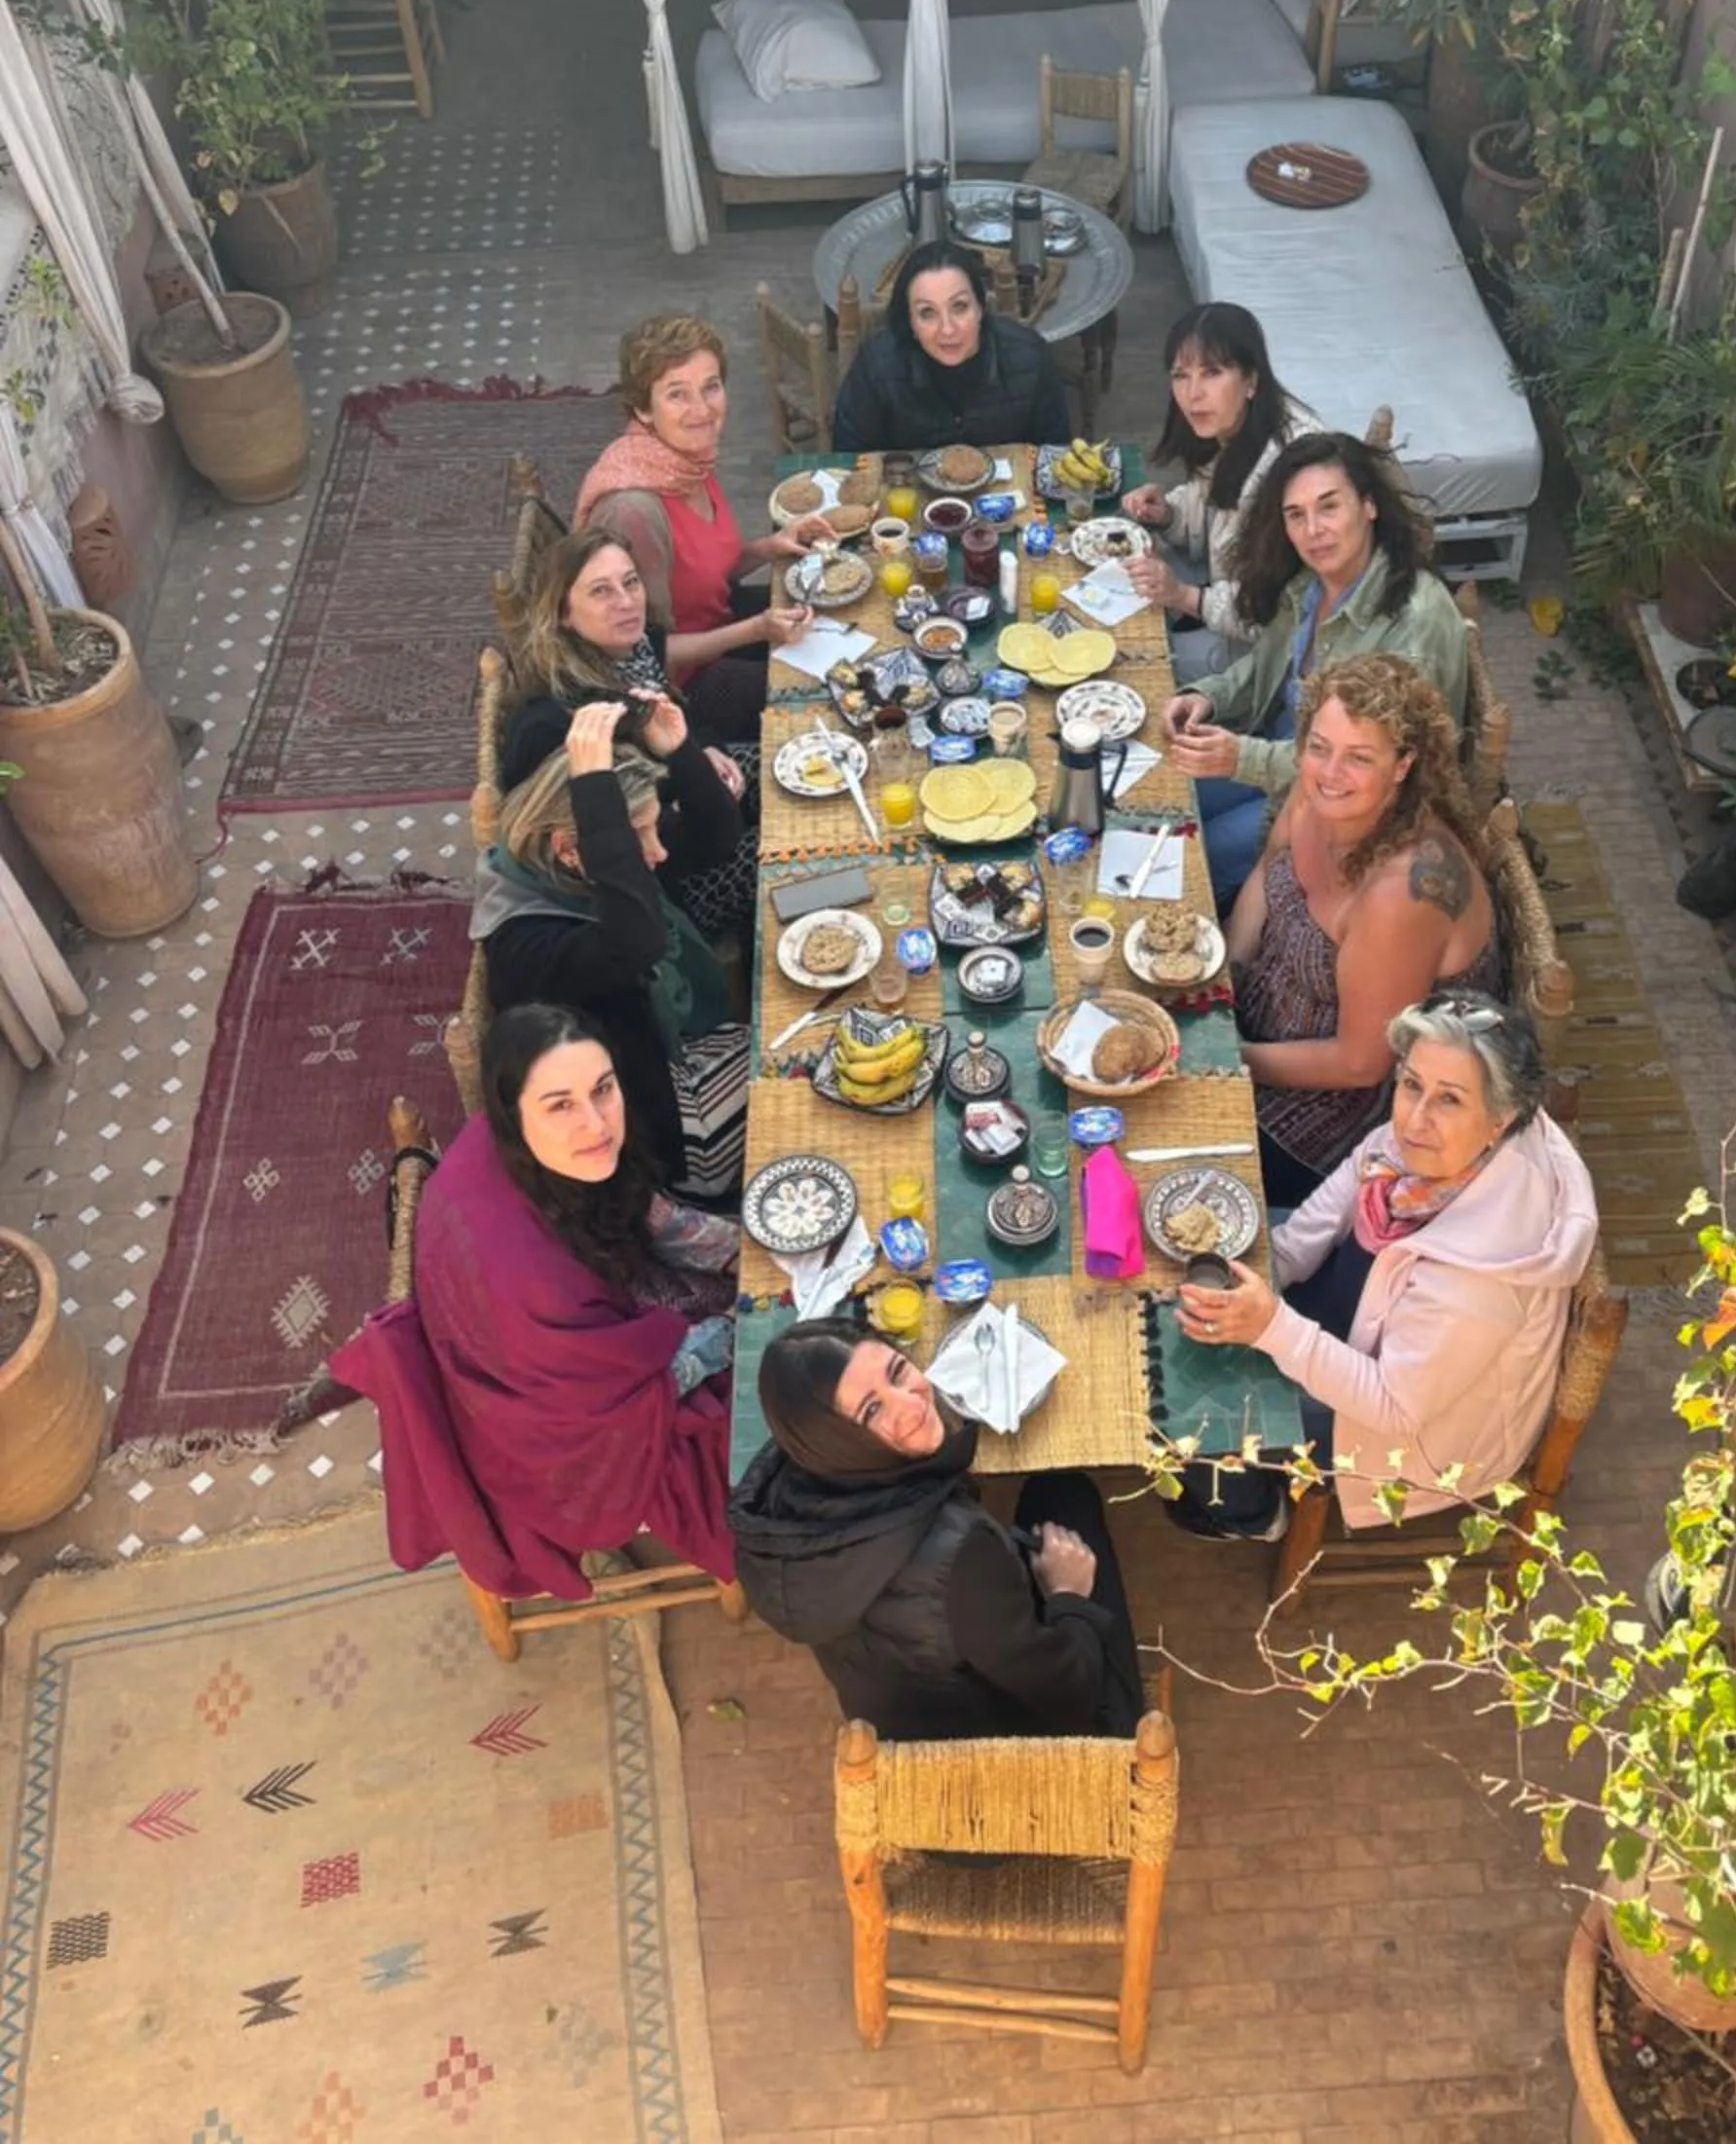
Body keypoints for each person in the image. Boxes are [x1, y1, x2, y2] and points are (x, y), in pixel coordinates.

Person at [329, 1005, 740, 1601]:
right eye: (560, 1105)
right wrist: (736, 1330)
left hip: (571, 1335)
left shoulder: (507, 1143)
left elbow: (639, 1209)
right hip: (557, 1433)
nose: (596, 1125)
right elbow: (619, 1405)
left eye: (603, 1089)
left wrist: (740, 1249)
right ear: (515, 1111)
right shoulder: (532, 1283)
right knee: (762, 1414)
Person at [1173, 994, 1598, 1538]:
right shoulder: (1444, 1149)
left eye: (1449, 1100)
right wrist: (1271, 1263)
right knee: (1201, 1265)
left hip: (1400, 1429)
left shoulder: (1484, 1278)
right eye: (1411, 1084)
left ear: (1501, 1119)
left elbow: (1394, 1407)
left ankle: (1254, 1512)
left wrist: (1271, 1326)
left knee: (1195, 1413)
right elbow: (1325, 1213)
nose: (1415, 1119)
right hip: (1364, 1302)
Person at [728, 1318, 1144, 1743]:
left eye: (897, 1372)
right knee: (1066, 1492)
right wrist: (1068, 1596)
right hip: (1011, 1743)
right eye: (871, 1411)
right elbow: (1068, 1692)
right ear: (835, 1441)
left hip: (900, 1718)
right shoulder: (962, 1552)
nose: (911, 1406)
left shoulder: (775, 1509)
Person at [1231, 655, 1503, 1207]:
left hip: (1328, 1119)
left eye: (1359, 758)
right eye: (1319, 747)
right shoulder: (1319, 793)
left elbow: (1361, 1063)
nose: (1330, 774)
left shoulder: (1402, 892)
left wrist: (1227, 1059)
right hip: (1253, 1025)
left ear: (1402, 765)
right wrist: (1223, 976)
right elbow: (1266, 873)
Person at [1164, 430, 1473, 909]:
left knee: (1186, 856)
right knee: (1159, 797)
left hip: (1351, 809)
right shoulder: (1310, 582)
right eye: (1296, 515)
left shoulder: (1412, 630)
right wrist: (1207, 697)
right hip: (1285, 759)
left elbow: (1364, 770)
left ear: (1368, 505)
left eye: (1329, 506)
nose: (1314, 529)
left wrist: (1240, 758)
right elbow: (1265, 669)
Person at [471, 697, 748, 1202]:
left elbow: (718, 837)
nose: (658, 850)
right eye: (638, 834)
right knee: (806, 1066)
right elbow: (637, 944)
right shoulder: (529, 943)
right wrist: (596, 798)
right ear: (570, 849)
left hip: (677, 1056)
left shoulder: (579, 870)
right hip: (659, 1133)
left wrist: (680, 750)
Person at [575, 315, 830, 749]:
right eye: (677, 394)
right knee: (827, 691)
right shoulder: (635, 510)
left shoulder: (683, 462)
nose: (702, 409)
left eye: (711, 387)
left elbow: (704, 572)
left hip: (717, 627)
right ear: (642, 408)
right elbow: (642, 657)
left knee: (831, 618)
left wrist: (769, 547)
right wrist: (754, 631)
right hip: (676, 694)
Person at [501, 527, 752, 942]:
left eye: (631, 582)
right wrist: (693, 767)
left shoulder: (631, 652)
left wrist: (704, 748)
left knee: (809, 763)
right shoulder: (560, 726)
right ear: (563, 612)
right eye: (601, 591)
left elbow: (682, 716)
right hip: (659, 889)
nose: (626, 601)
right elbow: (664, 849)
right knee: (786, 861)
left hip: (691, 809)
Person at [1120, 303, 1318, 682]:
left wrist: (1183, 596)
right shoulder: (1238, 425)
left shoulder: (1290, 471)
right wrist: (1169, 514)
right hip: (1220, 593)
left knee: (1128, 663)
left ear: (1251, 379)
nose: (1193, 393)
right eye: (1181, 375)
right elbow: (1215, 507)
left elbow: (1272, 615)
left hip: (1272, 659)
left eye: (1212, 372)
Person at [831, 240, 1074, 456]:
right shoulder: (876, 366)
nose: (947, 330)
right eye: (927, 313)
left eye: (959, 307)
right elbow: (848, 461)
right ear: (911, 323)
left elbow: (1055, 455)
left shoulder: (1030, 356)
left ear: (980, 308)